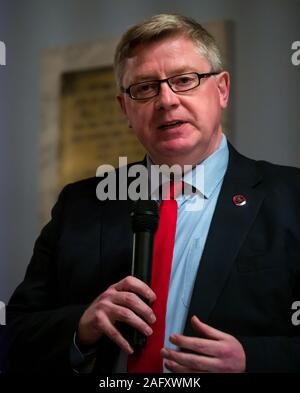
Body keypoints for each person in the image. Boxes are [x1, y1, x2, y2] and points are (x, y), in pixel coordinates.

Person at [1, 13, 300, 374]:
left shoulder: (290, 197)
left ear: (221, 89)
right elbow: (14, 333)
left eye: (184, 80)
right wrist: (81, 327)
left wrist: (253, 361)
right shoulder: (79, 205)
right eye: (144, 88)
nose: (166, 100)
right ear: (125, 108)